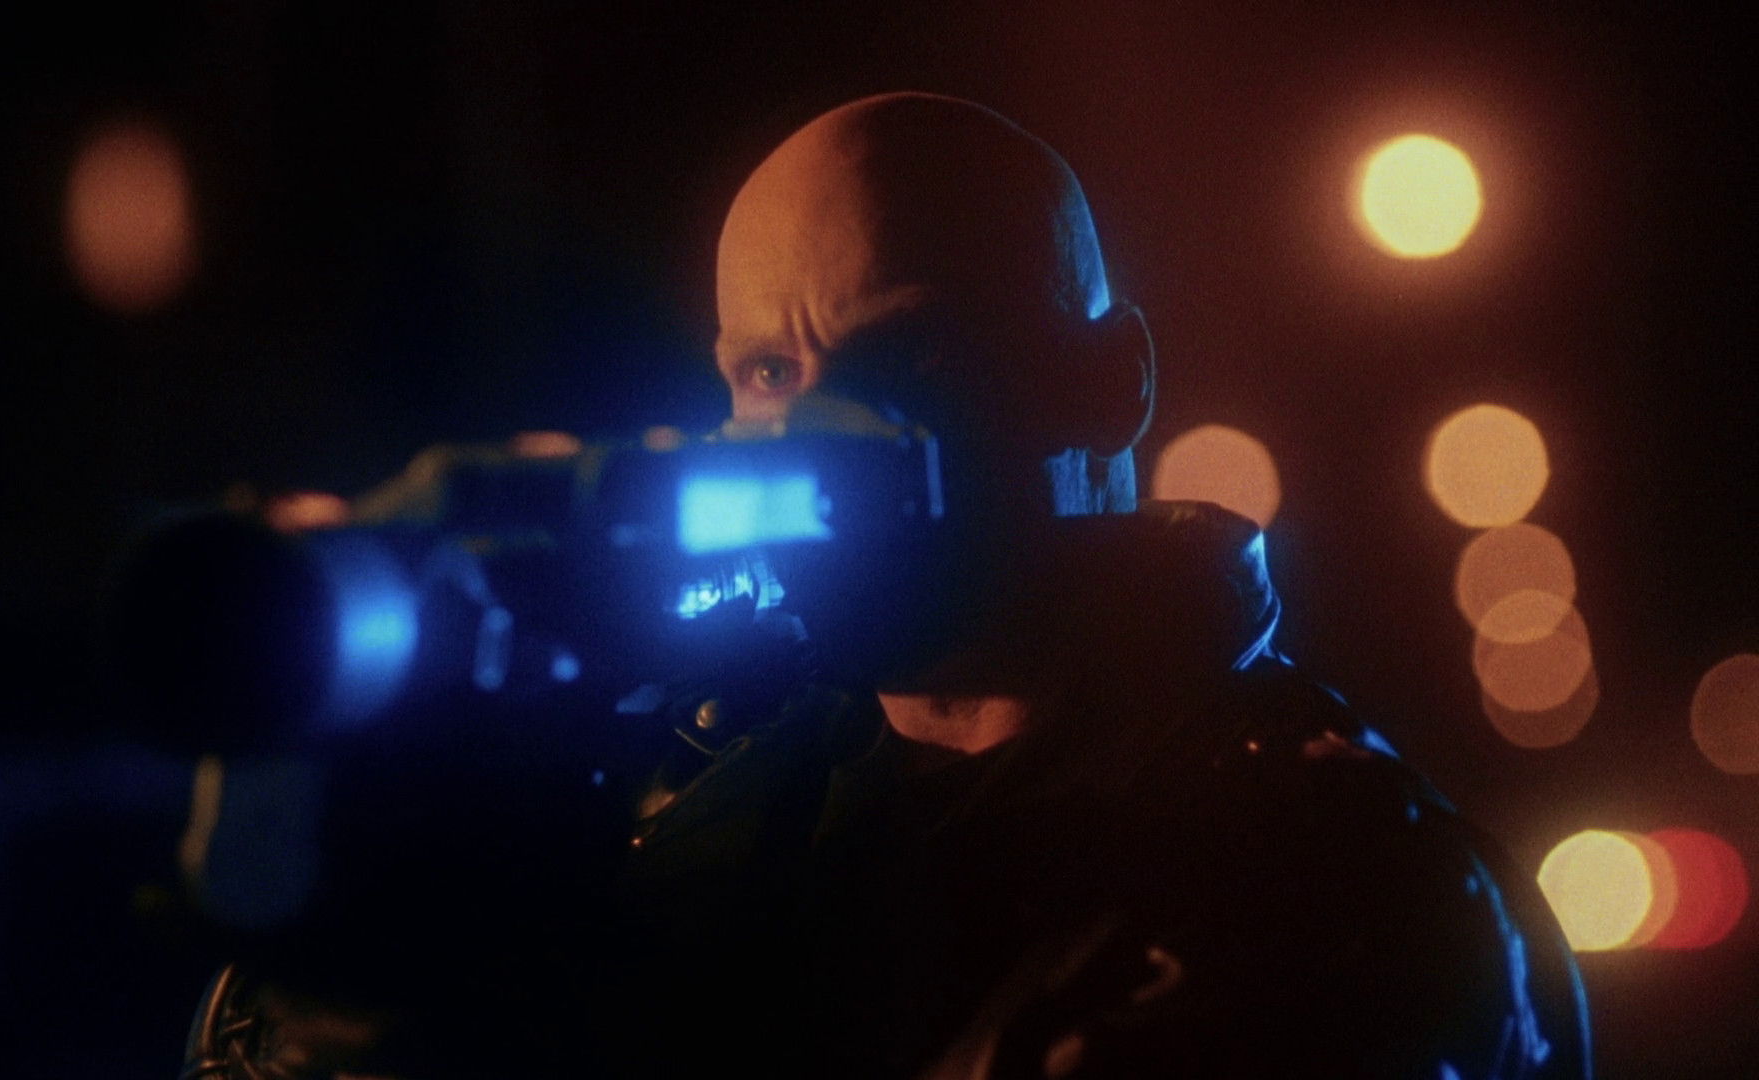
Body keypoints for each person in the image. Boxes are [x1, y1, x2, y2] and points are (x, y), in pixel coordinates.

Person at [613, 92, 1591, 1079]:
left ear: (1114, 381)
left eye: (906, 356)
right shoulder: (712, 836)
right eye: (771, 374)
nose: (823, 441)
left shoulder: (1346, 881)